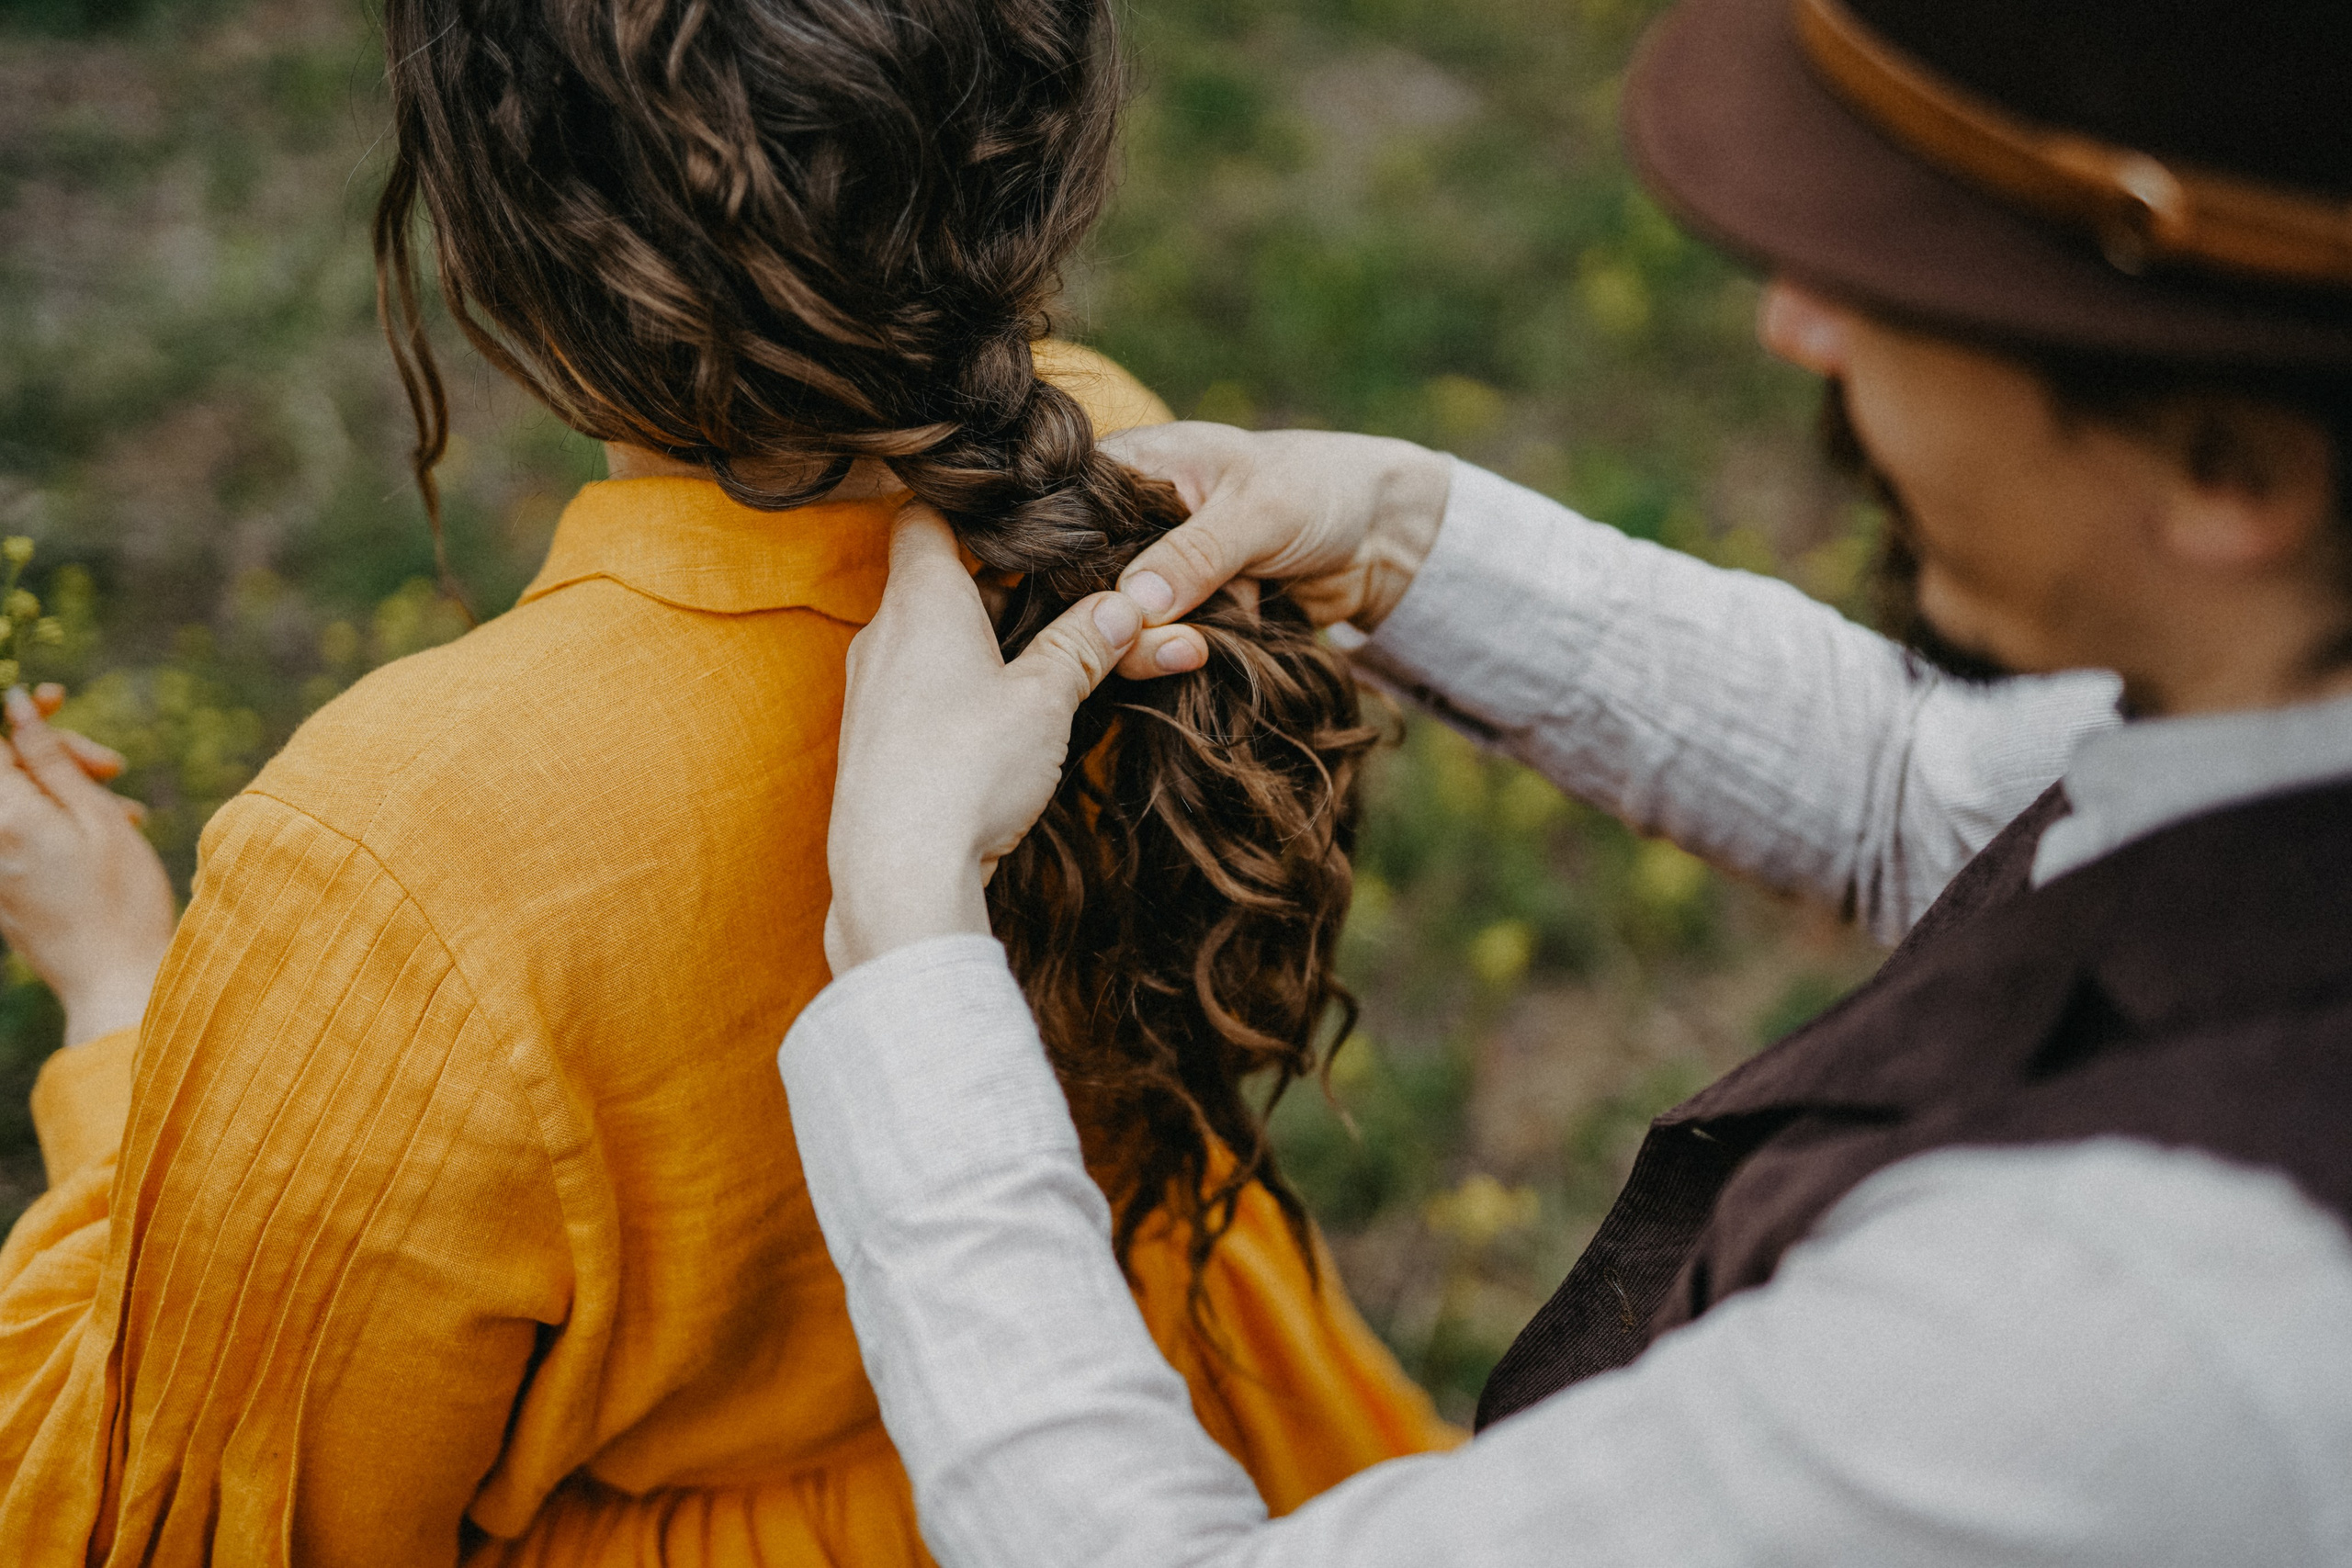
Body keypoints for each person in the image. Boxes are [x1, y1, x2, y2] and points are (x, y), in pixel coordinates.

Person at [776, 0, 2352, 1562]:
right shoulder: (2283, 710)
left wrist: (909, 929)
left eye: (1899, 280)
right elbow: (1945, 793)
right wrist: (1395, 535)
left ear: (2229, 473)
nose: (1793, 321)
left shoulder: (2112, 1332)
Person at [0, 0, 1458, 1560]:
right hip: (1122, 1410)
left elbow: (168, 1525)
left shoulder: (400, 863)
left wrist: (115, 1003)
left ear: (502, 227)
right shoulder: (1131, 463)